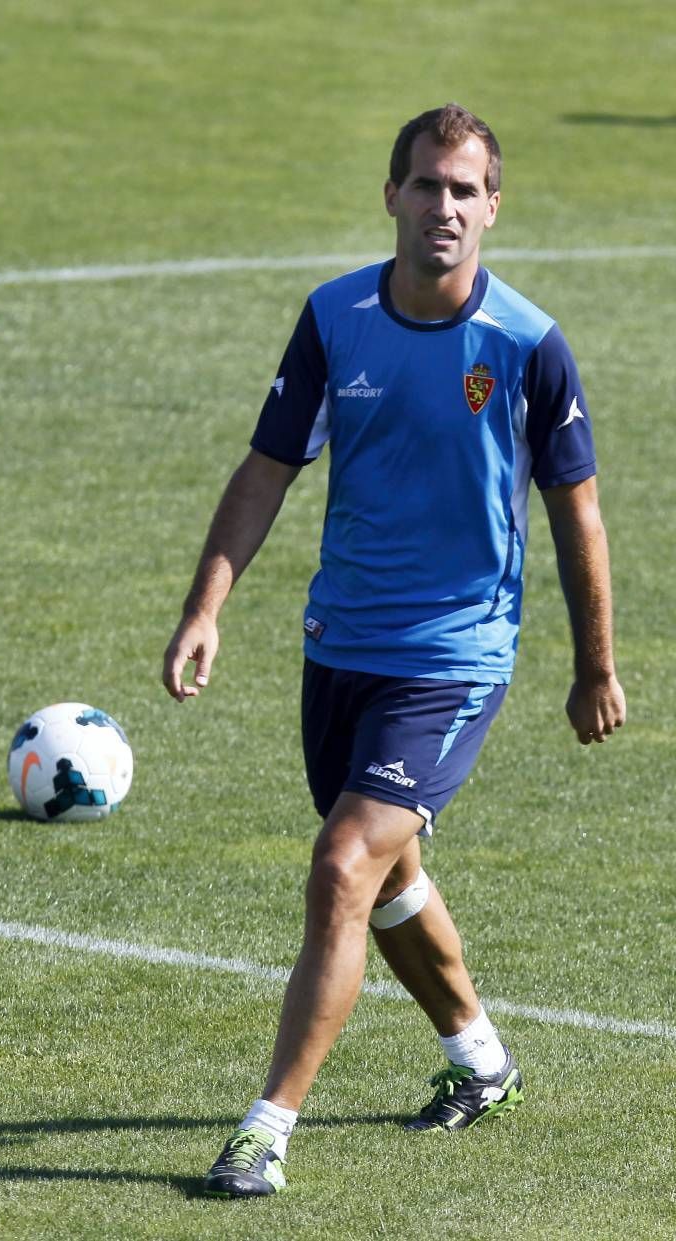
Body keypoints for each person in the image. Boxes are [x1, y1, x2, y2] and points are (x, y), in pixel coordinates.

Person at [162, 103, 626, 1198]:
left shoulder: (523, 345)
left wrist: (593, 664)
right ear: (391, 196)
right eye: (426, 185)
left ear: (493, 208)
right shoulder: (333, 320)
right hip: (341, 645)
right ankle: (480, 1058)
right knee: (384, 871)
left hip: (454, 657)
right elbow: (267, 468)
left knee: (340, 863)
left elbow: (577, 513)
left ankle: (264, 1128)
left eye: (465, 190)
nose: (444, 207)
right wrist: (205, 606)